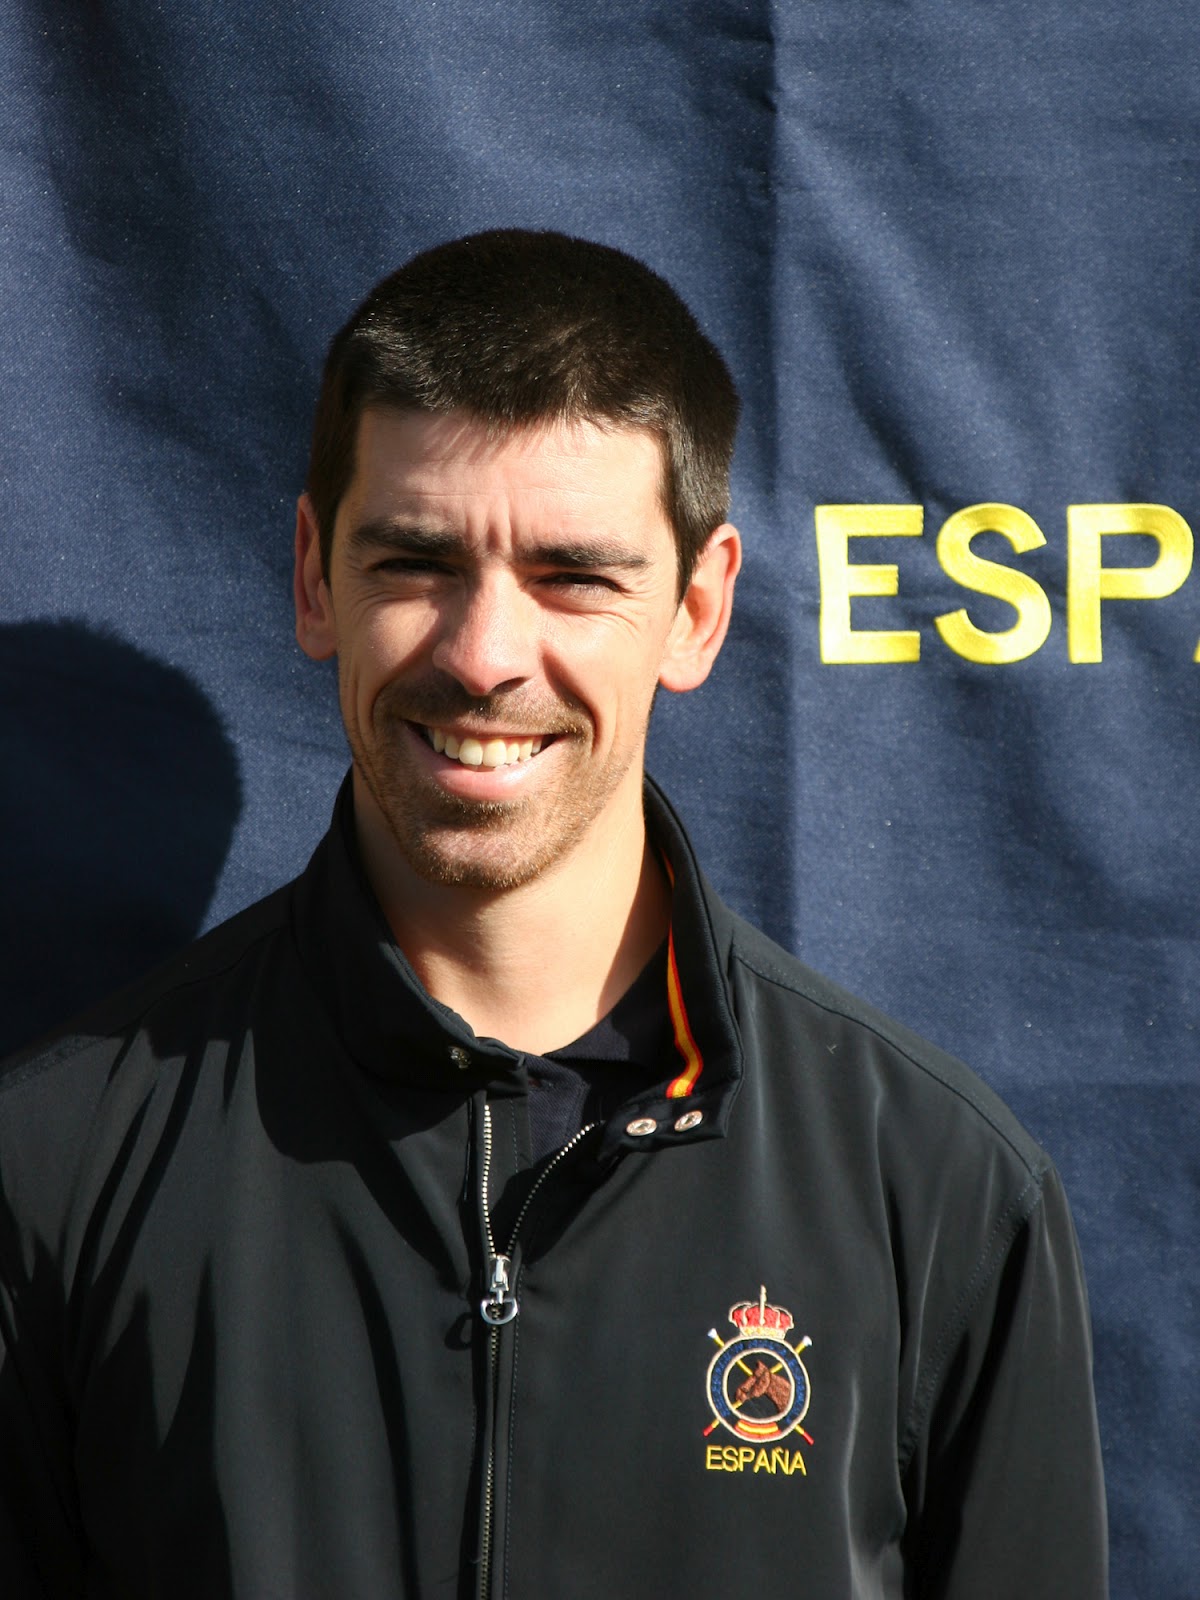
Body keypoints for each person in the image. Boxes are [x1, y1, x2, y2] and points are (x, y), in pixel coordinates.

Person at [0, 229, 1107, 1599]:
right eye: (415, 561)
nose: (483, 655)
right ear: (313, 576)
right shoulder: (52, 1169)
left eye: (574, 575)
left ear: (697, 610)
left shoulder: (940, 1194)